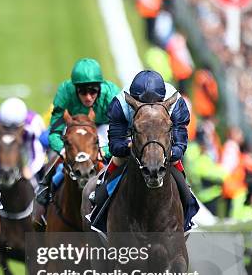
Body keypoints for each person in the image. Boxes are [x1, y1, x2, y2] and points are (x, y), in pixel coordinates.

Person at [92, 69, 198, 231]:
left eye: (155, 105)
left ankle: (188, 210)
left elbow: (180, 142)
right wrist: (131, 147)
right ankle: (99, 202)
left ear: (163, 100)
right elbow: (115, 144)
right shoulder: (120, 104)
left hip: (163, 143)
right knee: (117, 160)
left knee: (177, 168)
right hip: (133, 141)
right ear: (133, 100)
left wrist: (169, 152)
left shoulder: (176, 103)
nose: (150, 109)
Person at [32, 58, 120, 230]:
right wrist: (63, 150)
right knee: (57, 161)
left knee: (119, 162)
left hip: (103, 127)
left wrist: (105, 151)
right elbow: (55, 132)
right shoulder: (65, 91)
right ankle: (43, 192)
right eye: (82, 91)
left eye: (93, 91)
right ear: (74, 89)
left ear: (100, 88)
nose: (88, 97)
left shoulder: (112, 95)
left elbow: (122, 134)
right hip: (73, 126)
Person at [0, 97, 46, 182]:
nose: (11, 132)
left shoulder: (33, 124)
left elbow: (37, 154)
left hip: (27, 144)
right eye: (6, 128)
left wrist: (30, 170)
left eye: (15, 128)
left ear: (22, 125)